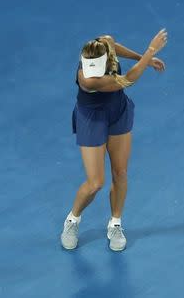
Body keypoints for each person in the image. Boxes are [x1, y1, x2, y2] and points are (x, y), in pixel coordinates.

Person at [61, 29, 168, 251]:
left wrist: (142, 59)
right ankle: (72, 219)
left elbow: (114, 47)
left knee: (120, 173)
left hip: (117, 112)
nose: (90, 72)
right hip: (92, 119)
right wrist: (150, 51)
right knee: (95, 183)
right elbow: (128, 79)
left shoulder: (104, 43)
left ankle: (115, 222)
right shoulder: (87, 80)